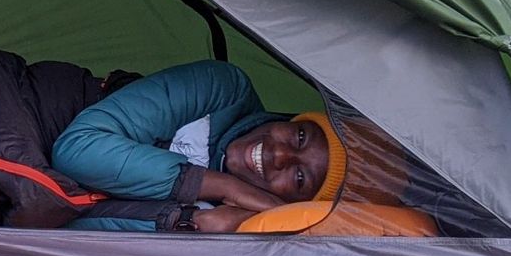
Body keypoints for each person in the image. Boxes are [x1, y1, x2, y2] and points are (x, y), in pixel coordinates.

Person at [51, 60, 344, 233]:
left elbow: (64, 231)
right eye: (301, 136)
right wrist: (226, 187)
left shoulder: (232, 220)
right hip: (25, 110)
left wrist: (192, 221)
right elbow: (77, 150)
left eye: (300, 177)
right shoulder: (223, 90)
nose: (280, 154)